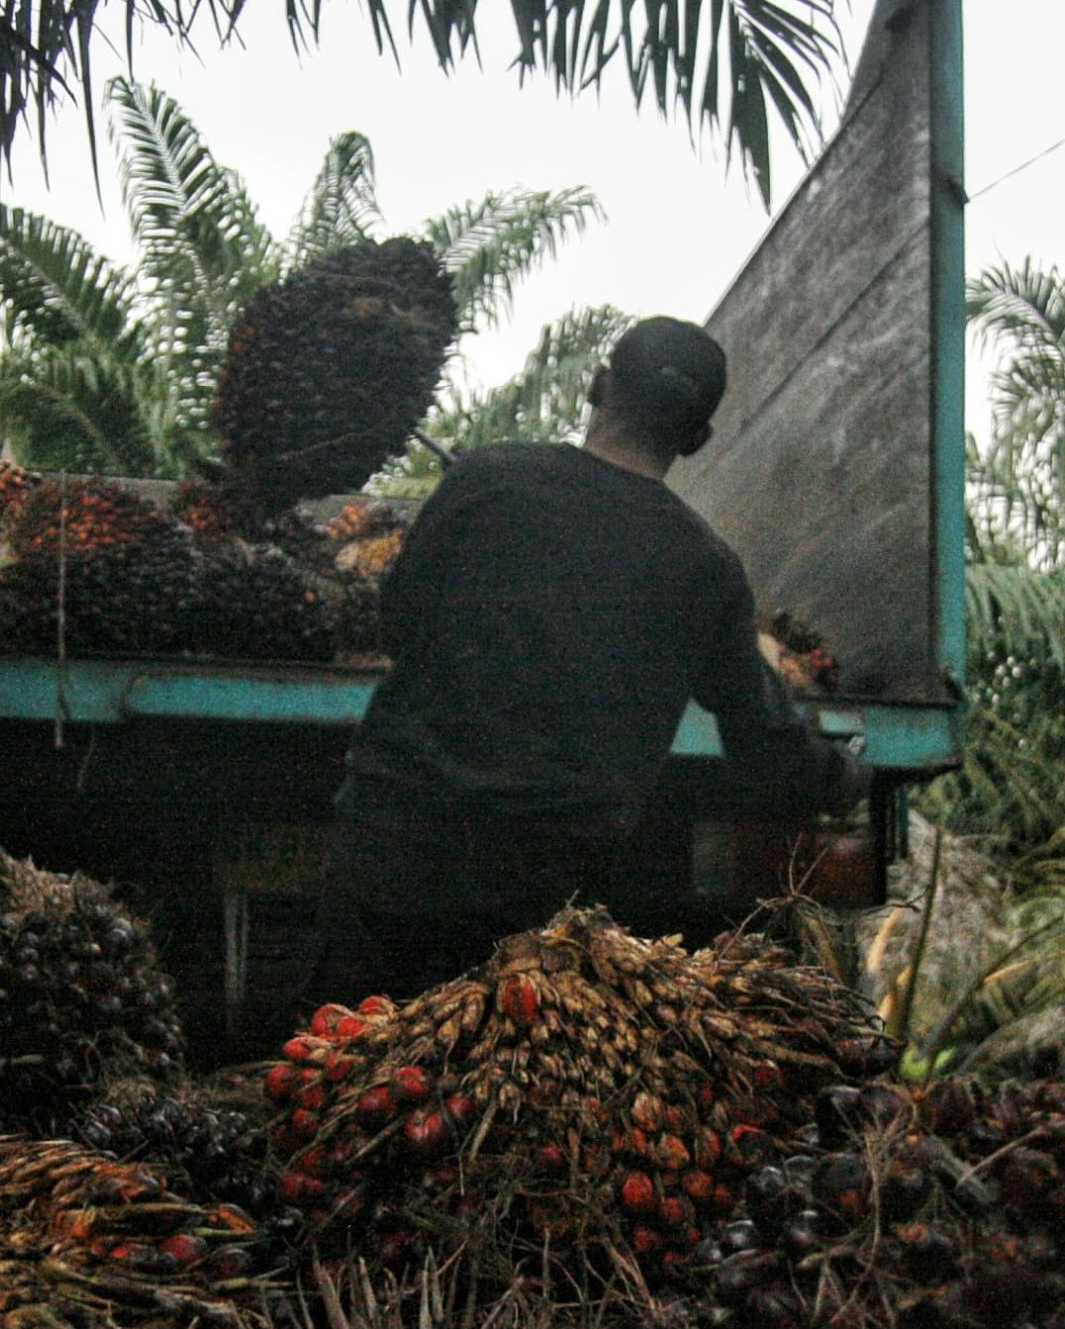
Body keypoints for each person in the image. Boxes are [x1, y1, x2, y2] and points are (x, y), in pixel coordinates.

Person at [311, 316, 868, 1005]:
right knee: (491, 1093)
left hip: (394, 846)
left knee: (345, 1072)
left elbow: (397, 621)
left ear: (598, 385)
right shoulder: (706, 568)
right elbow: (763, 741)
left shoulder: (488, 480)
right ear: (697, 439)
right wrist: (841, 774)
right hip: (537, 894)